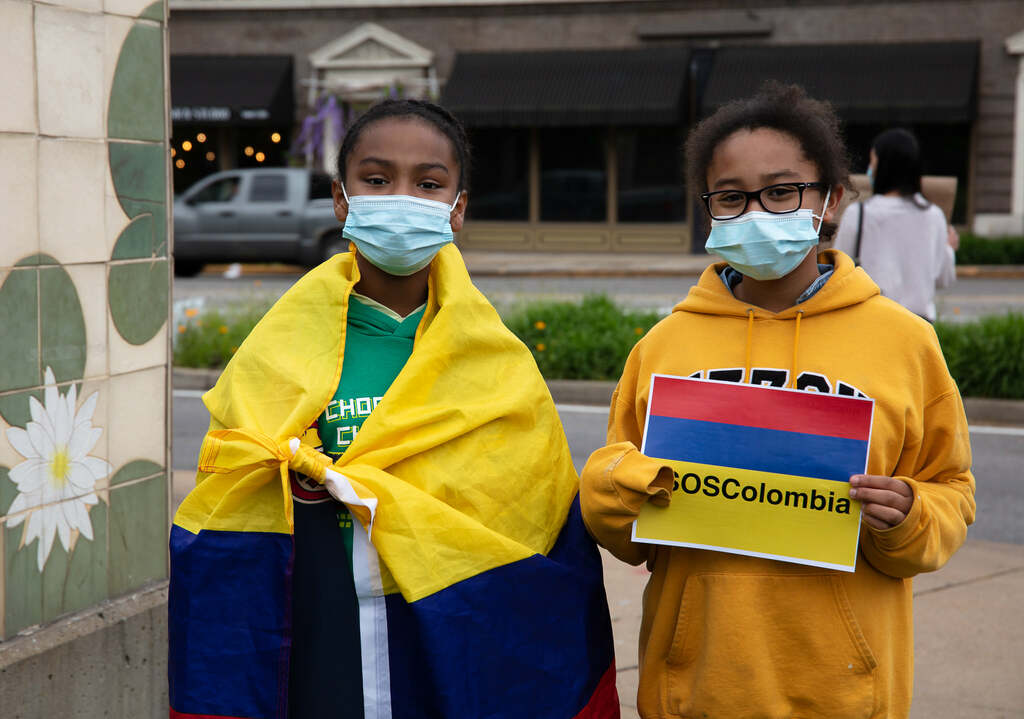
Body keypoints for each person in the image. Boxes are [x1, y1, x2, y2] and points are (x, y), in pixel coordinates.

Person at [169, 99, 619, 719]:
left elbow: (534, 517)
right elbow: (232, 485)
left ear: (457, 208)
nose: (401, 197)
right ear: (340, 199)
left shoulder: (498, 362)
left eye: (428, 183)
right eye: (376, 180)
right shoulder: (279, 348)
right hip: (317, 634)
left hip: (447, 631)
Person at [581, 83, 975, 718]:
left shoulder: (906, 344)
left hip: (845, 689)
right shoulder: (663, 346)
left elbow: (951, 491)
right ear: (709, 208)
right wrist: (617, 487)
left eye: (782, 189)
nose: (758, 210)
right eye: (732, 196)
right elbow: (620, 515)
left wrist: (908, 513)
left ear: (831, 199)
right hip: (696, 686)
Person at [834, 128, 957, 322]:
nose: (870, 169)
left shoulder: (859, 214)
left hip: (873, 322)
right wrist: (949, 249)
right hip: (920, 326)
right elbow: (943, 279)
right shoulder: (933, 215)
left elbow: (838, 274)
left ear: (884, 166)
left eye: (873, 162)